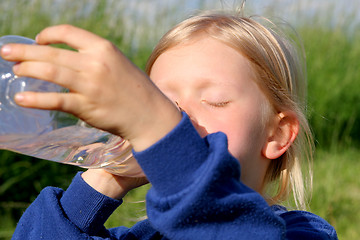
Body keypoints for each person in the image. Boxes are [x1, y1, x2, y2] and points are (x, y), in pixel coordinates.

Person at [3, 9, 338, 240]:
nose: (179, 117)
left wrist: (158, 129)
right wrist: (106, 175)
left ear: (277, 134)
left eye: (215, 100)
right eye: (161, 101)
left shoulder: (300, 231)